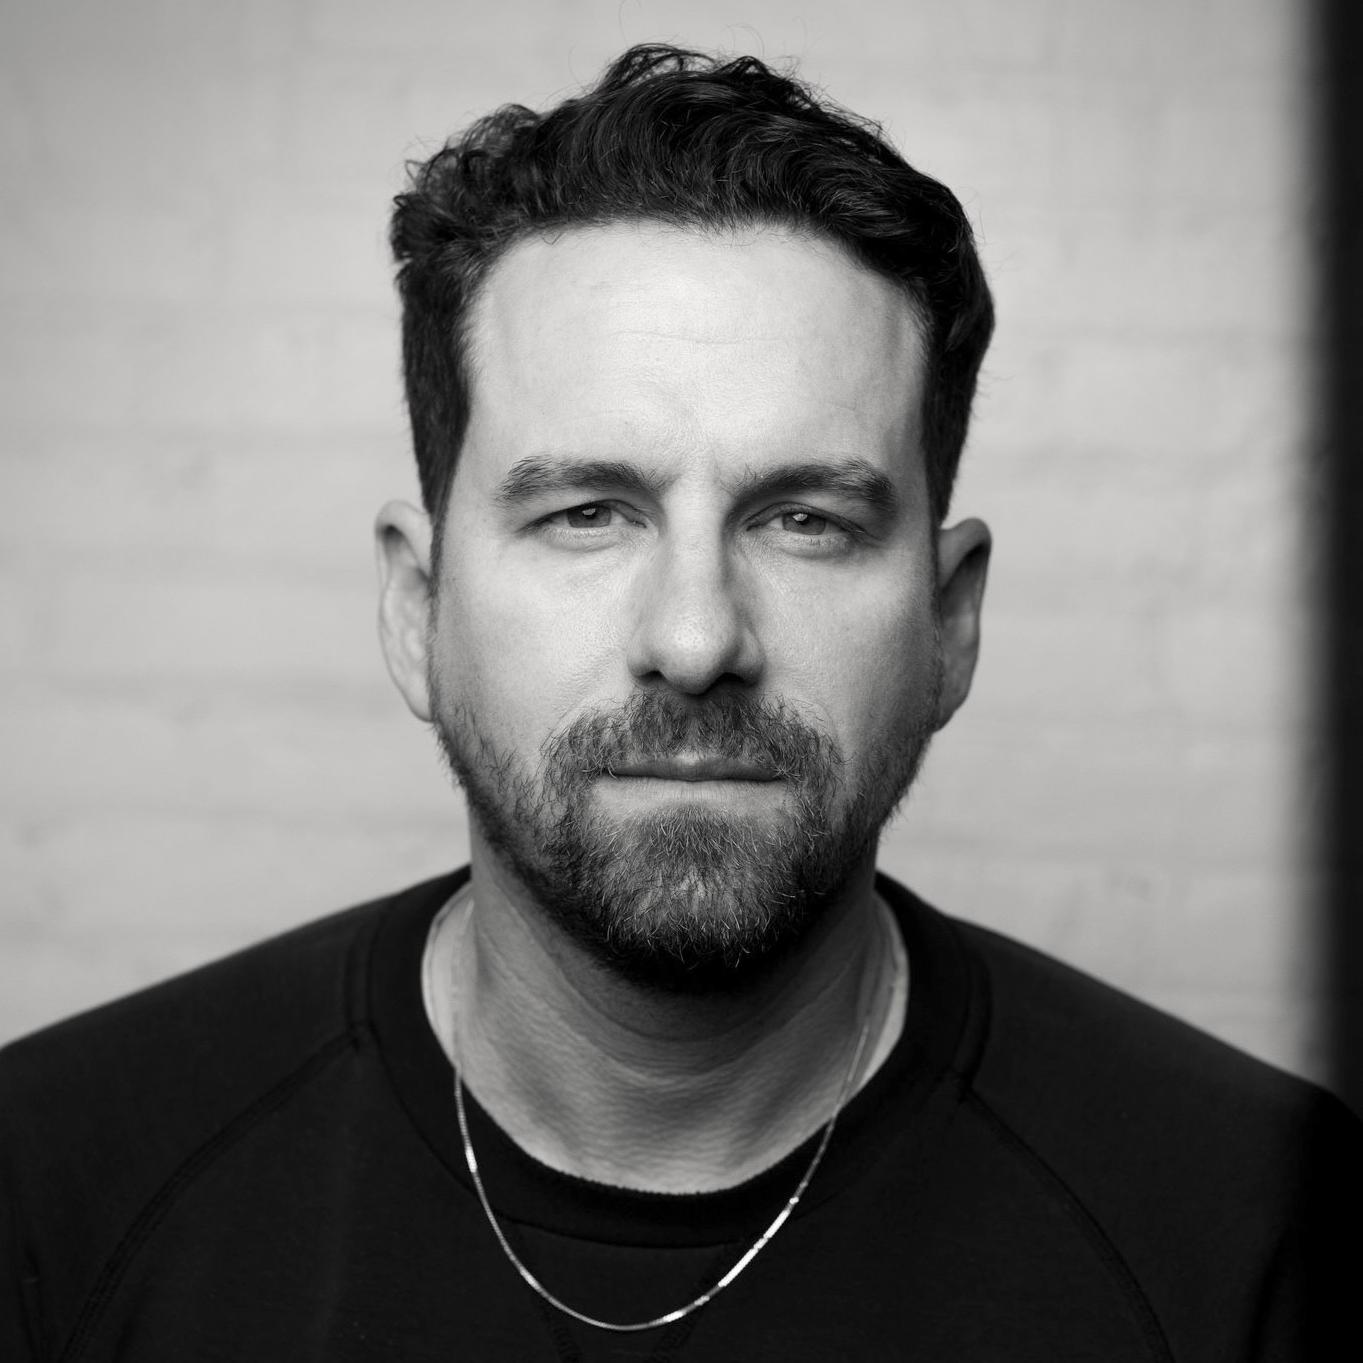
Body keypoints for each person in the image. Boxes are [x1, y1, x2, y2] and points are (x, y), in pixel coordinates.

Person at [1, 45, 1358, 1363]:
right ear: (418, 609)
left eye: (807, 520)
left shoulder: (1259, 1231)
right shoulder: (53, 1192)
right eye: (587, 513)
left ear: (949, 624)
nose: (698, 639)